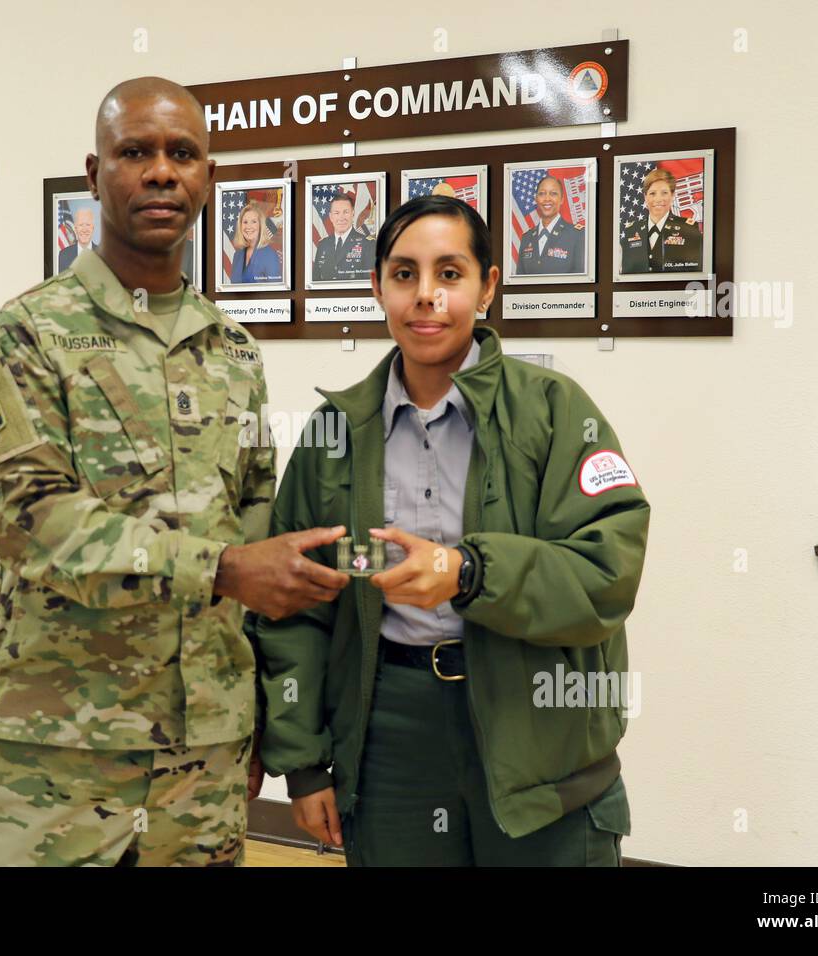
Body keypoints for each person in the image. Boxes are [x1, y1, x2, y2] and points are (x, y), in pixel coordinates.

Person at [0, 76, 350, 866]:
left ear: (210, 178)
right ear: (95, 175)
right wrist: (225, 569)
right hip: (59, 764)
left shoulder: (232, 352)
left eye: (182, 154)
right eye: (135, 152)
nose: (161, 171)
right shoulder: (26, 336)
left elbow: (260, 534)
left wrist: (264, 726)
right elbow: (31, 526)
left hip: (205, 759)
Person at [255, 194, 651, 866]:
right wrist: (304, 763)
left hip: (537, 738)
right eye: (404, 274)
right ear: (378, 286)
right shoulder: (332, 437)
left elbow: (606, 573)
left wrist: (468, 573)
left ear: (487, 287)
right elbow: (293, 612)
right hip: (389, 740)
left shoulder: (555, 413)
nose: (426, 296)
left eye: (450, 273)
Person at [619, 167, 702, 274]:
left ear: (672, 196)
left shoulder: (689, 229)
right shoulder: (631, 230)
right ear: (645, 197)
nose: (658, 199)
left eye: (664, 193)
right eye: (652, 193)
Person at [516, 175, 585, 276]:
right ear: (536, 199)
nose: (547, 198)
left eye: (553, 193)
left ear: (562, 199)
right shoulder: (526, 238)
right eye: (542, 193)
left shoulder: (577, 235)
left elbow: (581, 280)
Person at [312, 191, 374, 282]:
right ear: (331, 217)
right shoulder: (323, 245)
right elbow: (316, 280)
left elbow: (369, 282)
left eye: (346, 212)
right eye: (337, 213)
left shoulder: (368, 244)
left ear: (353, 214)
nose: (341, 218)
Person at [229, 203, 281, 282]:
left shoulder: (270, 255)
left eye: (254, 222)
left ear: (261, 225)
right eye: (245, 222)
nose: (248, 226)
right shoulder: (237, 255)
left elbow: (275, 290)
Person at [57, 206, 98, 272]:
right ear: (75, 229)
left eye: (88, 225)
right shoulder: (63, 255)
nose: (84, 229)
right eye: (81, 225)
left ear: (93, 228)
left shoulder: (103, 256)